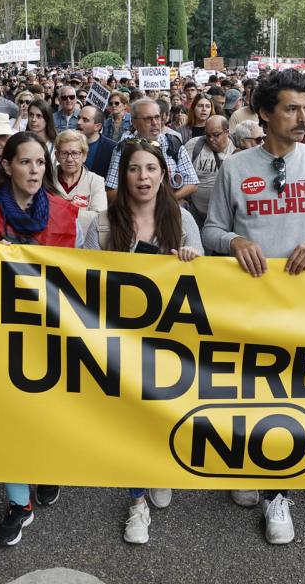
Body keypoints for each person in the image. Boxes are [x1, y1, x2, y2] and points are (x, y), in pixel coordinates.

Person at [202, 69, 305, 545]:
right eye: (292, 108)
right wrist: (235, 240)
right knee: (248, 390)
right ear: (265, 113)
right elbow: (210, 230)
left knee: (291, 395)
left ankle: (277, 493)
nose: (304, 118)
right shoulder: (236, 168)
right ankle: (247, 465)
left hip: (304, 301)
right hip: (248, 303)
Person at [0, 131, 78, 547]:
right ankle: (18, 503)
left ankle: (47, 468)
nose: (34, 170)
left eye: (40, 163)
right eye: (25, 162)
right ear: (6, 166)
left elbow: (83, 272)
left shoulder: (63, 212)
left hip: (48, 332)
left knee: (47, 413)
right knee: (7, 419)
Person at [81, 138, 201, 543]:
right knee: (131, 418)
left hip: (170, 340)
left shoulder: (183, 221)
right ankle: (137, 502)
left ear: (163, 175)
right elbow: (81, 278)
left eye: (150, 169)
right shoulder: (99, 222)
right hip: (120, 342)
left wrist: (188, 260)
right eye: (134, 169)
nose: (143, 177)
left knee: (163, 411)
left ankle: (160, 469)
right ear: (124, 176)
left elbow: (205, 281)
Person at [104, 98, 198, 205]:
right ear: (134, 122)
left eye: (157, 117)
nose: (155, 123)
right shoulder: (123, 148)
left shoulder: (173, 143)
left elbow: (192, 183)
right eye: (148, 119)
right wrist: (140, 206)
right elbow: (111, 191)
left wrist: (166, 201)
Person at [183, 115, 236, 228]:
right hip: (196, 215)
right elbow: (181, 177)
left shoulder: (237, 149)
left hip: (227, 218)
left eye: (216, 135)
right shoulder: (194, 145)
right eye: (208, 135)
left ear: (227, 132)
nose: (211, 139)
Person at [52, 129, 107, 232]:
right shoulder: (46, 178)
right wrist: (82, 214)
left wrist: (60, 212)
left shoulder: (96, 181)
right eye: (64, 153)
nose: (69, 159)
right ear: (57, 156)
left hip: (81, 245)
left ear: (84, 156)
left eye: (75, 153)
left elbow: (99, 218)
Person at [76, 104, 116, 179]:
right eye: (78, 118)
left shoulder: (112, 148)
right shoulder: (68, 143)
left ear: (97, 126)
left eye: (85, 120)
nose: (79, 122)